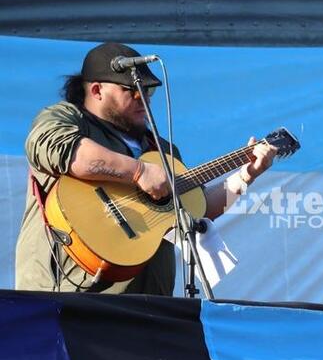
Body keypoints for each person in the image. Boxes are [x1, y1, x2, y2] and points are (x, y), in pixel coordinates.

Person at [15, 42, 276, 294]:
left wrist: (247, 175)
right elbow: (64, 150)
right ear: (97, 91)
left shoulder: (162, 149)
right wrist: (139, 172)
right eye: (133, 91)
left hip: (149, 304)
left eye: (148, 92)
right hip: (70, 295)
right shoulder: (65, 118)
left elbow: (200, 207)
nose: (144, 99)